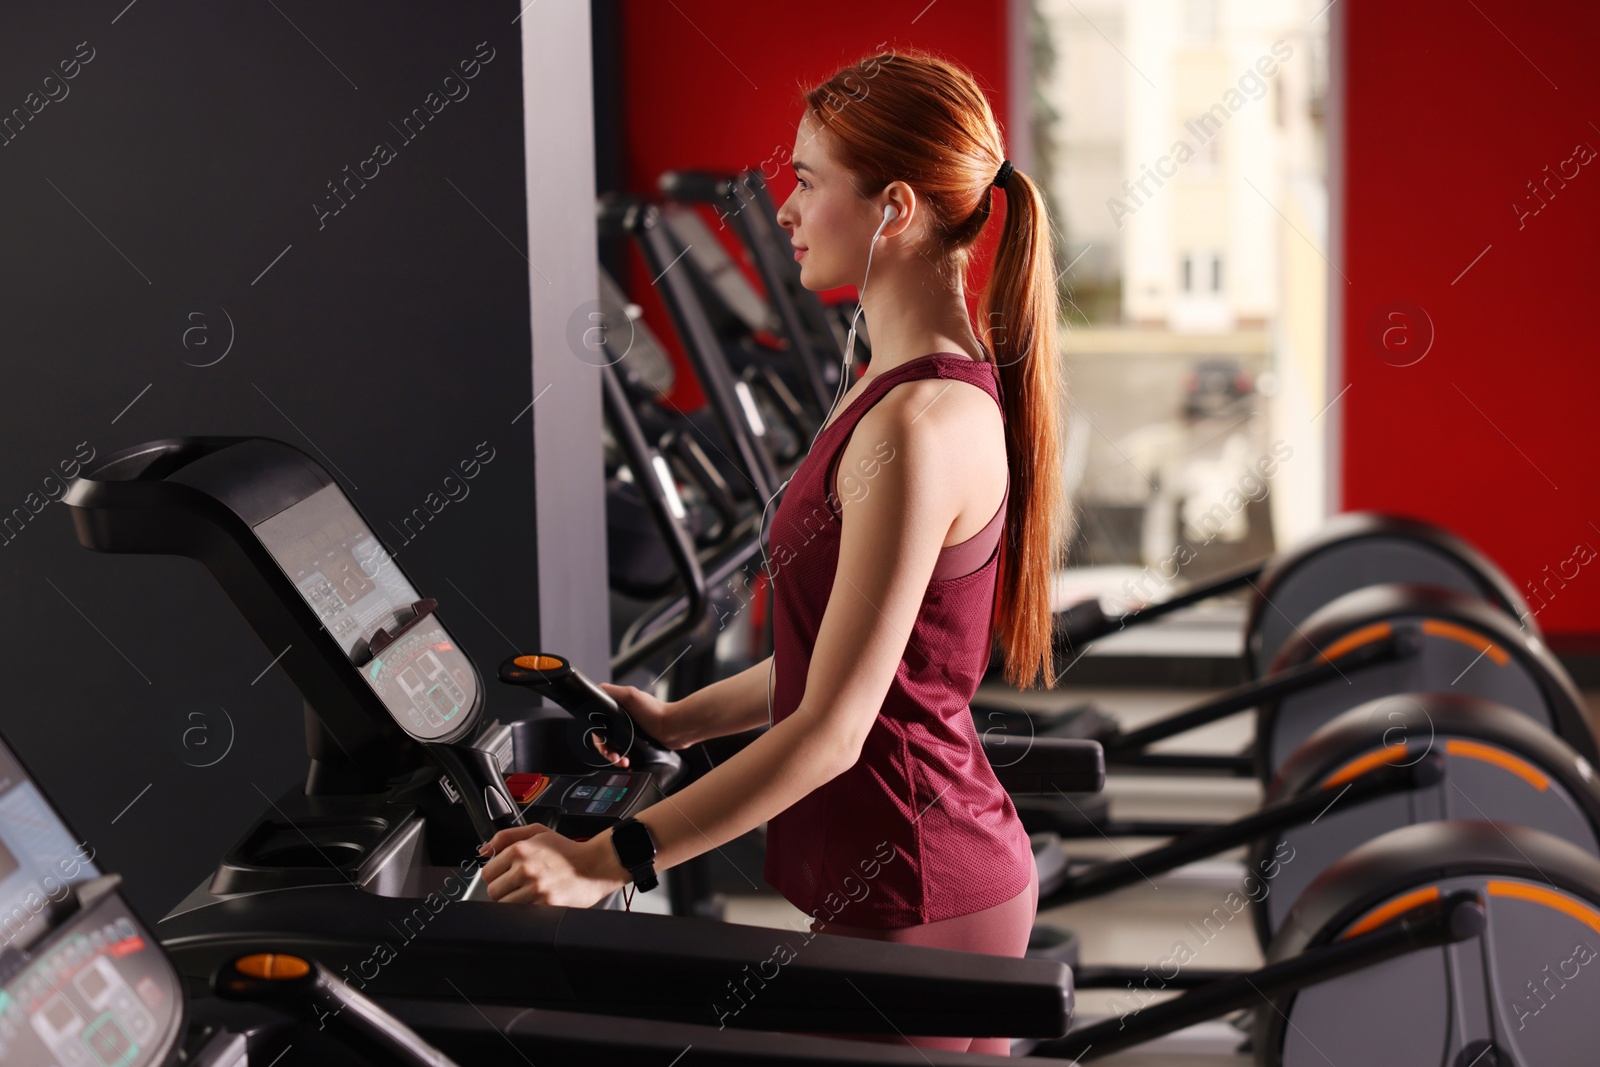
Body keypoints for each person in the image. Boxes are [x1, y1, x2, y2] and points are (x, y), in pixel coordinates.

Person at [478, 50, 1068, 1055]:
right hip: (921, 881)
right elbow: (841, 656)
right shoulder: (902, 387)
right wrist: (677, 715)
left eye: (805, 181)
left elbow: (833, 729)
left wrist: (604, 859)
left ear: (893, 208)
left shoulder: (916, 422)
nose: (784, 211)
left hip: (917, 892)